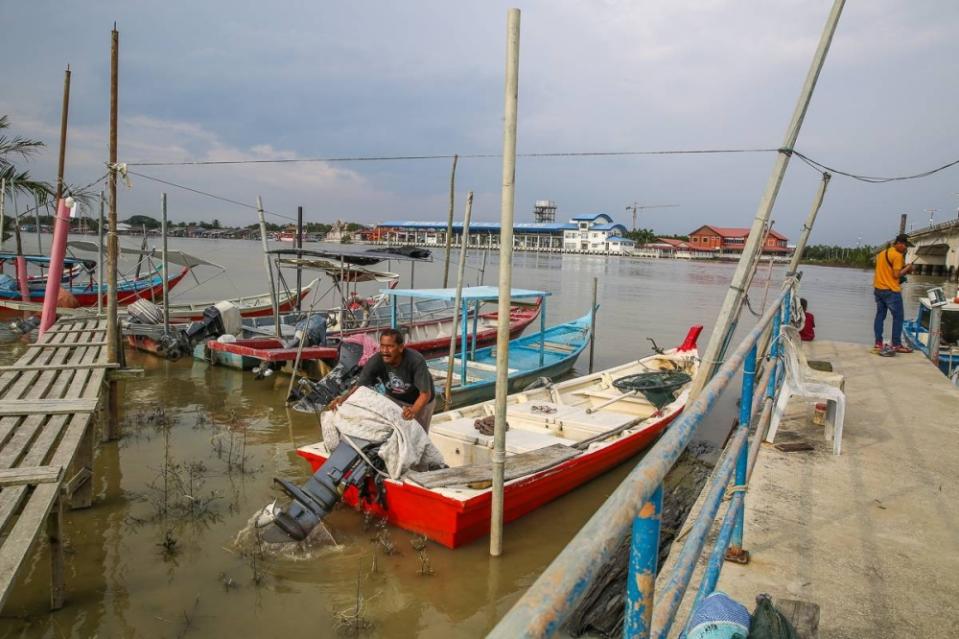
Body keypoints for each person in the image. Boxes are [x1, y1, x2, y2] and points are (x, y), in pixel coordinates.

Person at [329, 328, 436, 430]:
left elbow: (425, 394)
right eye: (382, 346)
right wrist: (343, 399)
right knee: (390, 431)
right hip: (394, 398)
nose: (385, 351)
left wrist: (413, 411)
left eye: (390, 346)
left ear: (401, 347)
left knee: (418, 436)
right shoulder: (376, 361)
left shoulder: (416, 361)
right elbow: (360, 386)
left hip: (420, 401)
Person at [873, 233, 914, 356]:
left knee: (880, 316)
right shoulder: (897, 255)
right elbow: (896, 275)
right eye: (905, 245)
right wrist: (908, 268)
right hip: (891, 291)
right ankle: (896, 344)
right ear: (900, 243)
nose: (906, 248)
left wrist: (903, 267)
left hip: (878, 289)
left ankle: (878, 343)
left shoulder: (882, 254)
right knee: (898, 317)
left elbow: (887, 270)